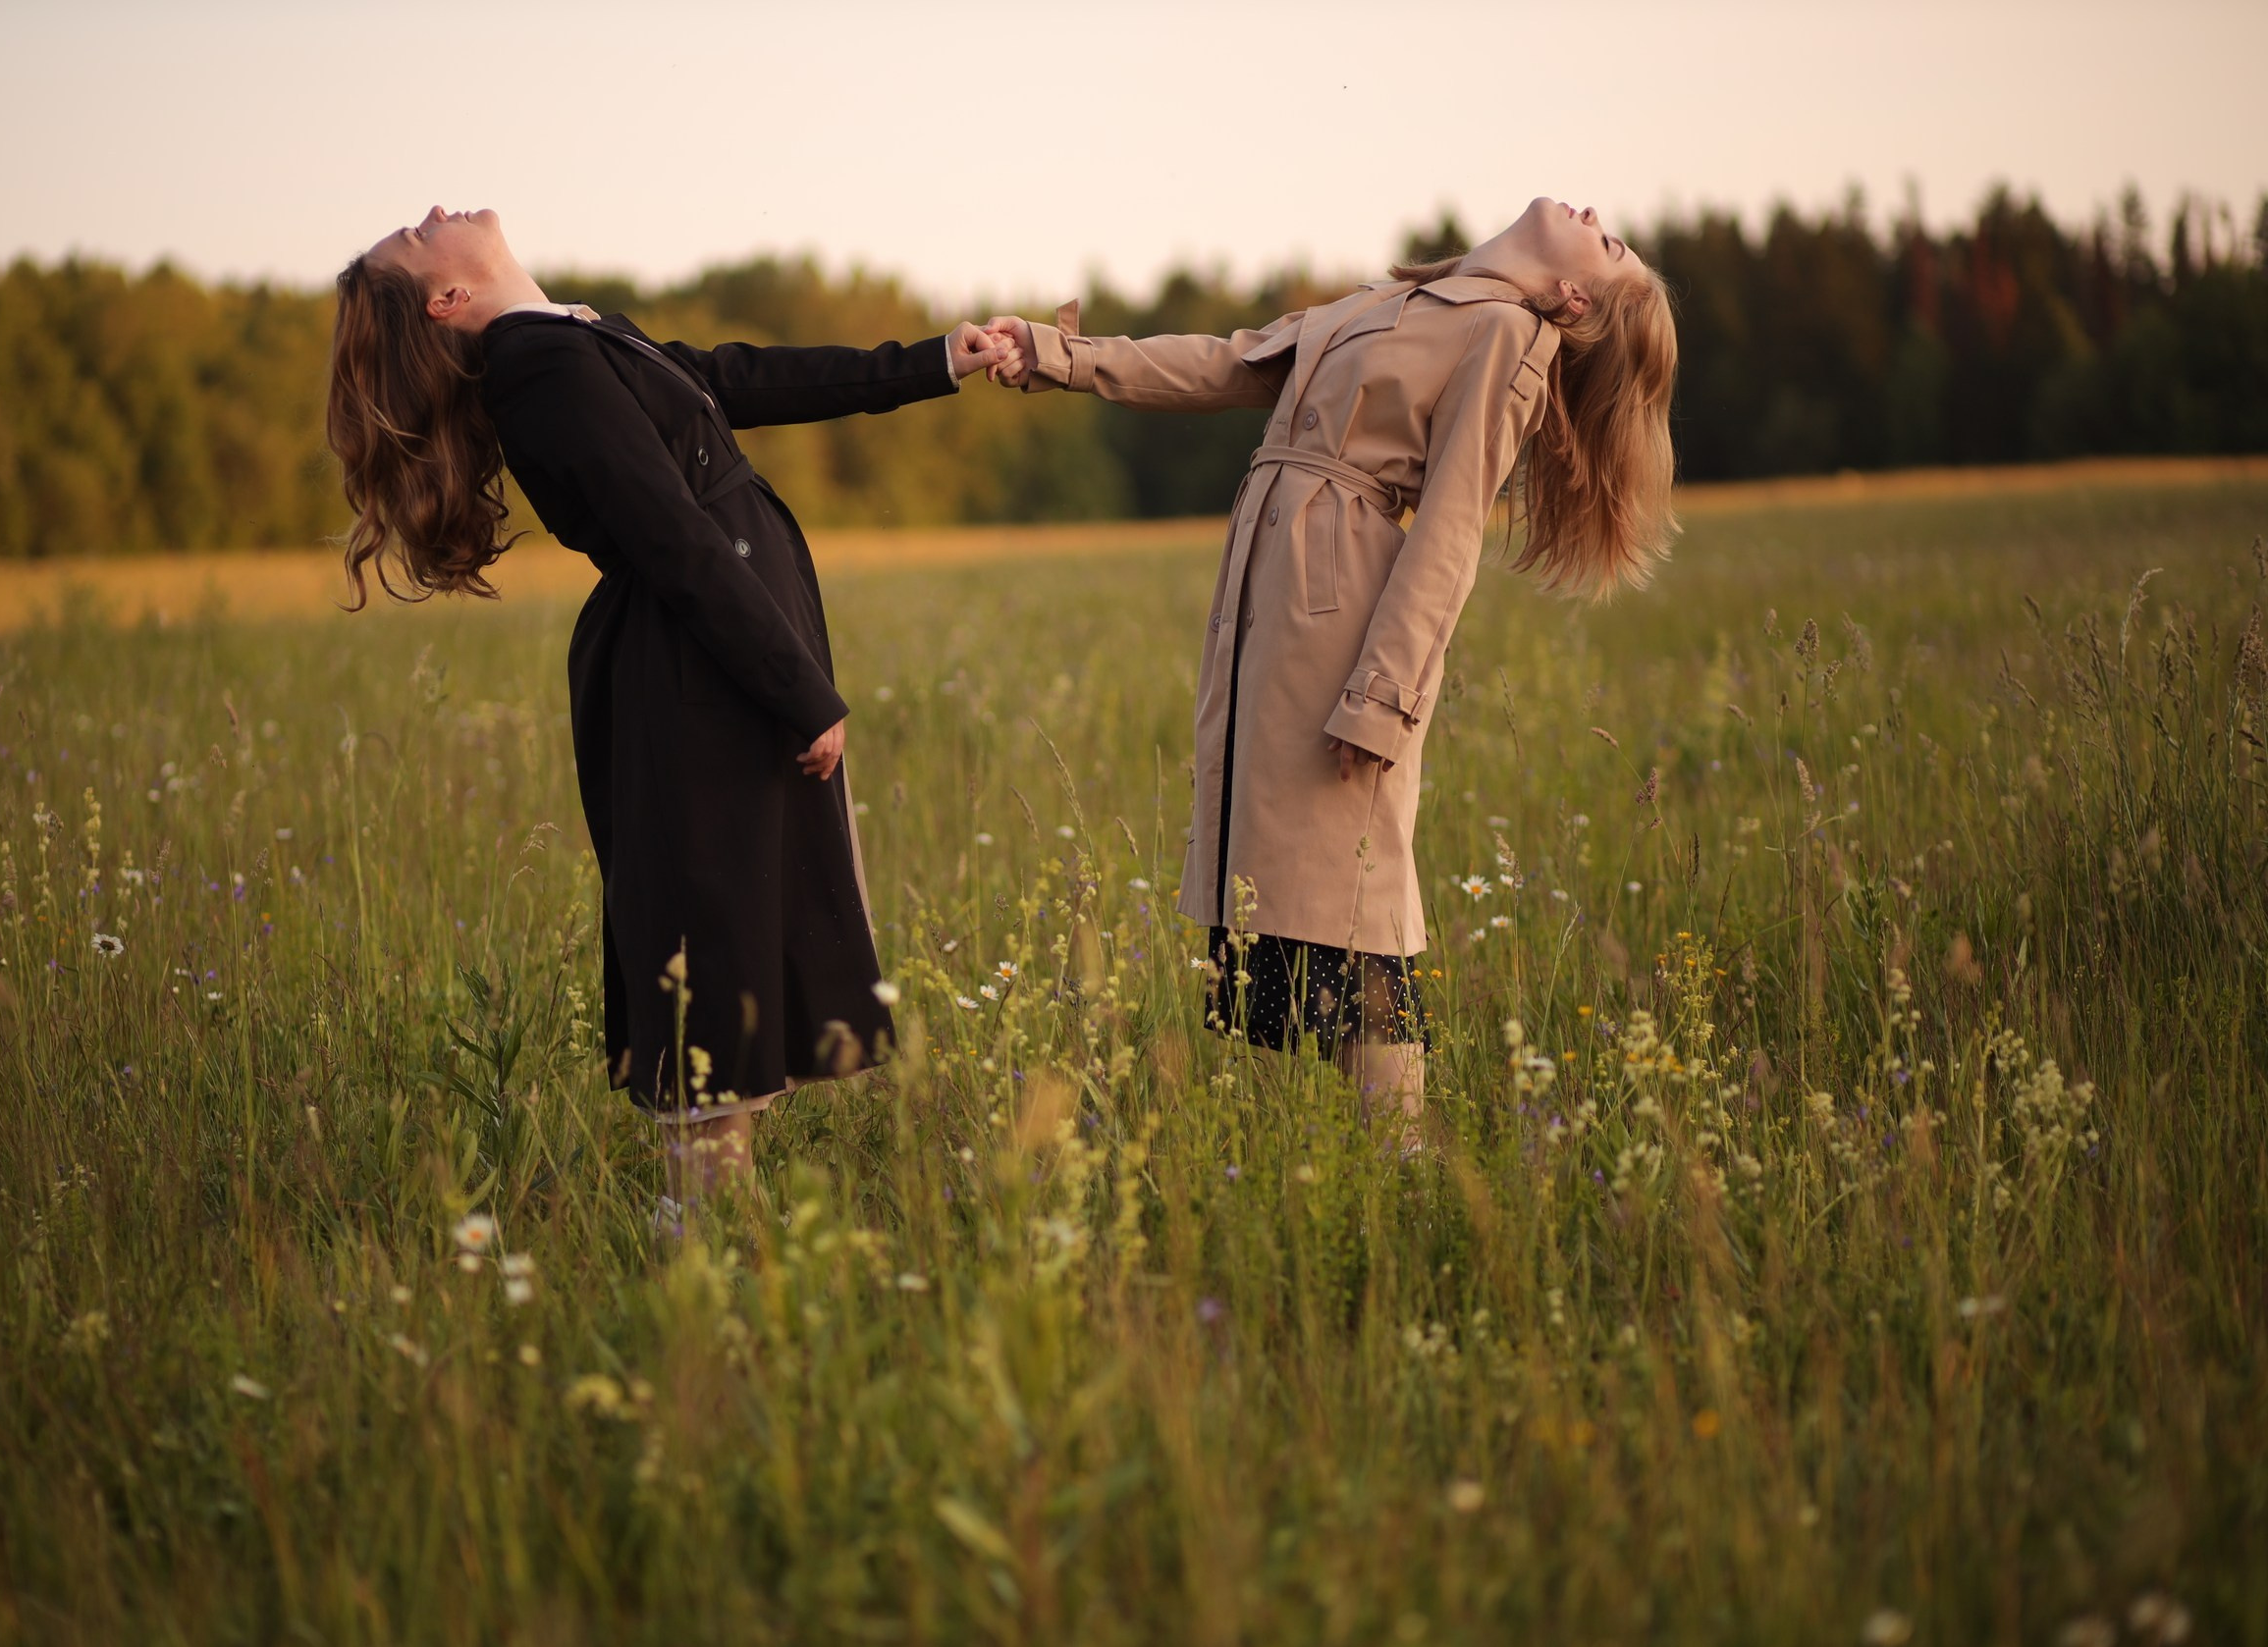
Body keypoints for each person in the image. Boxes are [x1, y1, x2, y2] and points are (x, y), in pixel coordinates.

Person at [325, 206, 1008, 1208]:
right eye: (414, 237)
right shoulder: (536, 369)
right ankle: (703, 1244)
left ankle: (716, 1237)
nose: (432, 214)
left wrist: (934, 361)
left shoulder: (560, 339)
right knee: (709, 940)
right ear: (447, 297)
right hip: (691, 671)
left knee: (734, 938)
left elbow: (739, 378)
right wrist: (797, 692)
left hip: (710, 652)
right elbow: (671, 536)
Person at [986, 197, 1678, 1141]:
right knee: (1281, 889)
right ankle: (1342, 1151)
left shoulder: (1508, 335)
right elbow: (1230, 362)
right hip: (1267, 606)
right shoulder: (1409, 299)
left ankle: (1403, 1159)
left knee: (1358, 897)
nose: (1598, 215)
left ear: (1571, 297)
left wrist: (1383, 698)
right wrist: (1061, 357)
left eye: (1612, 244)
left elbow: (1451, 530)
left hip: (1338, 616)